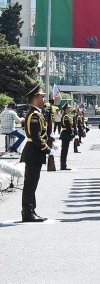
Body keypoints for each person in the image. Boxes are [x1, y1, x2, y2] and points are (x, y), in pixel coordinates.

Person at [19, 84, 51, 222]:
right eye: (42, 97)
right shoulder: (34, 114)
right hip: (33, 151)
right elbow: (36, 136)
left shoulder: (37, 113)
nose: (44, 100)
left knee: (32, 183)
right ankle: (27, 212)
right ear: (35, 99)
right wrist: (47, 149)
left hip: (34, 152)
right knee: (30, 183)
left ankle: (31, 210)